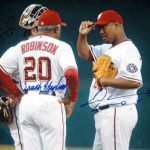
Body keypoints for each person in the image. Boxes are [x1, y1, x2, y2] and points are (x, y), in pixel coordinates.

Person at [0, 8, 79, 150]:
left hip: (26, 103)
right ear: (56, 29)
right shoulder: (63, 47)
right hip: (51, 102)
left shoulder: (19, 47)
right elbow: (71, 74)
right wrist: (72, 97)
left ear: (38, 27)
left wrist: (16, 93)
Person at [77, 10, 142, 150]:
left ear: (117, 24)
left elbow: (134, 81)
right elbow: (84, 54)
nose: (101, 31)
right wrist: (82, 36)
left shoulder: (128, 50)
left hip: (117, 111)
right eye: (99, 28)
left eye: (104, 26)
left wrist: (105, 80)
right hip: (106, 114)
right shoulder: (107, 49)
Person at [0, 4, 48, 150]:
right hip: (22, 108)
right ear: (33, 28)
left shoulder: (51, 50)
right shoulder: (17, 50)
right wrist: (15, 93)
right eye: (46, 25)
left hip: (40, 107)